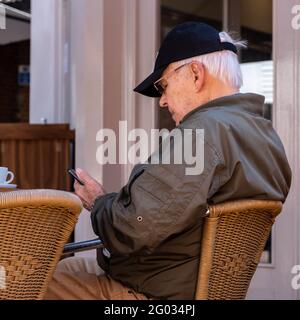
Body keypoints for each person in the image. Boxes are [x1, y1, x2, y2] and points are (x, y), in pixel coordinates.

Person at [45, 22, 292, 300]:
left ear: (196, 75)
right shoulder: (268, 139)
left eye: (163, 86)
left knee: (33, 283)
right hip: (197, 286)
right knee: (73, 265)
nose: (162, 101)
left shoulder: (201, 135)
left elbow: (135, 228)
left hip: (155, 293)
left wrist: (98, 201)